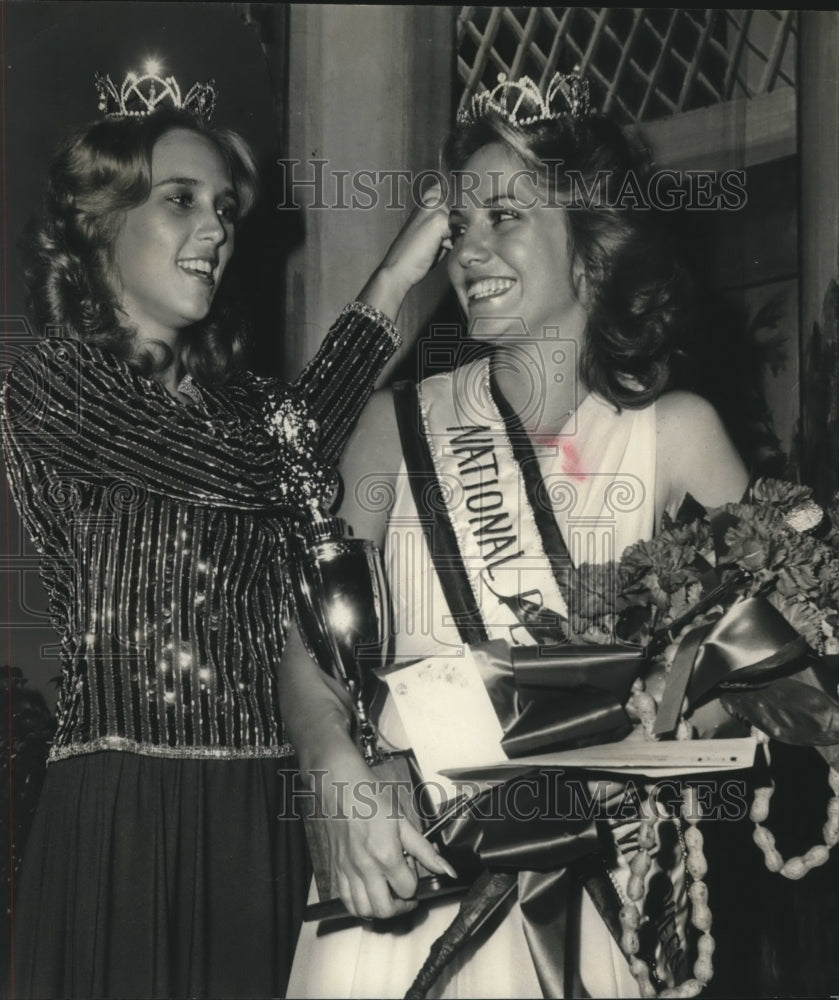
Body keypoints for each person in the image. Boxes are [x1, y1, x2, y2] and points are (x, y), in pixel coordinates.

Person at [283, 72, 749, 998]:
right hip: (401, 867)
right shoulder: (395, 423)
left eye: (504, 218)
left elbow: (767, 660)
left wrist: (651, 737)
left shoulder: (677, 433)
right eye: (458, 226)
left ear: (591, 242)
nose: (467, 252)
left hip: (583, 884)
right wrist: (330, 762)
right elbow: (304, 640)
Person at [1, 65, 452, 1000]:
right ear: (100, 224)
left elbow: (284, 449)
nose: (216, 229)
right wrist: (395, 278)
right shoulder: (49, 383)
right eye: (180, 202)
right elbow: (265, 469)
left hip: (266, 813)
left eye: (224, 208)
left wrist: (416, 261)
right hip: (126, 812)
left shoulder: (250, 408)